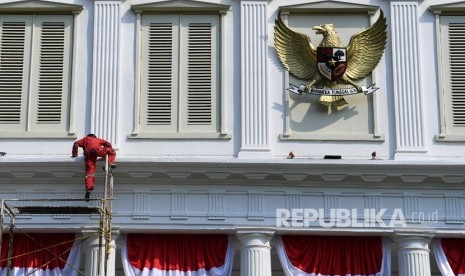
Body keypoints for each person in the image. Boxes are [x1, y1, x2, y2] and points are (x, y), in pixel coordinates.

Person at [72, 134, 116, 200]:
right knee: (112, 152)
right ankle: (108, 164)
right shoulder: (97, 139)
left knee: (89, 172)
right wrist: (109, 148)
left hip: (87, 153)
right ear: (94, 137)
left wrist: (75, 154)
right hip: (96, 149)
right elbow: (108, 144)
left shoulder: (84, 139)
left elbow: (76, 144)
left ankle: (88, 189)